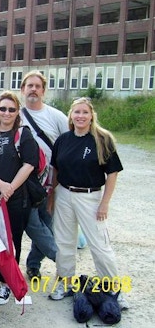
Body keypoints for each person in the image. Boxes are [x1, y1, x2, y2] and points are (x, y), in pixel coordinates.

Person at [48, 97, 129, 310]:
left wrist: (105, 203)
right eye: (77, 112)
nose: (80, 116)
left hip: (90, 196)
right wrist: (52, 197)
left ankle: (113, 289)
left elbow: (112, 173)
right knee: (64, 243)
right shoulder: (63, 140)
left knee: (100, 245)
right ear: (71, 116)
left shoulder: (102, 139)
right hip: (65, 194)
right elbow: (55, 170)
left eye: (85, 112)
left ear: (91, 115)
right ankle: (65, 282)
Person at [0, 91, 38, 305]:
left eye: (11, 109)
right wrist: (0, 185)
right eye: (3, 108)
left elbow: (29, 164)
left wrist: (9, 188)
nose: (7, 113)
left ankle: (7, 284)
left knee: (11, 241)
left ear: (17, 111)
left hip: (15, 199)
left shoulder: (23, 134)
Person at [19, 70, 69, 280]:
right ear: (22, 90)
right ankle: (64, 262)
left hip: (50, 181)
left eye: (37, 86)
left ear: (43, 90)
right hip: (24, 182)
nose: (33, 89)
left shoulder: (56, 116)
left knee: (48, 223)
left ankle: (33, 264)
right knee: (34, 225)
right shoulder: (15, 114)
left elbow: (69, 146)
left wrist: (59, 184)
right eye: (29, 86)